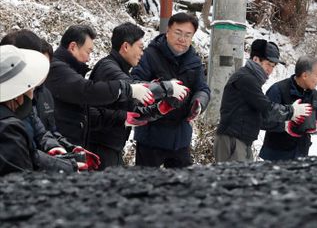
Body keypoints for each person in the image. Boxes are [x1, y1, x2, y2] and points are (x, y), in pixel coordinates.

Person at [87, 22, 188, 169]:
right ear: (126, 46)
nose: (142, 53)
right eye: (140, 47)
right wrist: (167, 88)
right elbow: (132, 88)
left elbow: (132, 114)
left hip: (111, 148)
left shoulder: (119, 69)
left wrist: (160, 109)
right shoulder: (109, 68)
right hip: (99, 149)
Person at [0, 30, 100, 170]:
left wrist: (60, 149)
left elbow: (42, 133)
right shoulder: (7, 127)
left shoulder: (39, 97)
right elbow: (23, 169)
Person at [45, 24, 154, 147]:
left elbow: (89, 114)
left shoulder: (70, 71)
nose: (89, 58)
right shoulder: (57, 69)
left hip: (72, 147)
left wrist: (123, 118)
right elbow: (87, 91)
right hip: (61, 148)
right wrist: (127, 89)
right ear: (73, 47)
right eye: (88, 51)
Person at [213, 39, 313, 162]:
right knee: (232, 180)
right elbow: (267, 108)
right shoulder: (246, 79)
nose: (270, 69)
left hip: (242, 140)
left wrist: (284, 125)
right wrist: (292, 111)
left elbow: (258, 115)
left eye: (273, 66)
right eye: (268, 64)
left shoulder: (252, 79)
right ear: (255, 59)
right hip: (232, 139)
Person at [131, 12, 211, 168]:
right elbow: (135, 85)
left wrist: (199, 103)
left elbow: (202, 88)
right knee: (146, 187)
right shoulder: (149, 55)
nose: (182, 39)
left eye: (188, 35)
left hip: (180, 138)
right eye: (178, 33)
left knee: (180, 188)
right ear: (167, 31)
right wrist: (164, 89)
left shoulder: (194, 61)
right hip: (151, 136)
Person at [0, 45, 79, 175]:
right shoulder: (8, 129)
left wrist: (65, 165)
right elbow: (19, 180)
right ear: (17, 94)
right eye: (30, 89)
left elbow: (33, 154)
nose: (32, 95)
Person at [259, 55, 317, 161]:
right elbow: (261, 120)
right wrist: (285, 125)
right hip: (275, 157)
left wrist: (316, 127)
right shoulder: (277, 90)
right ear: (305, 75)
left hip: (301, 157)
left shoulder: (316, 96)